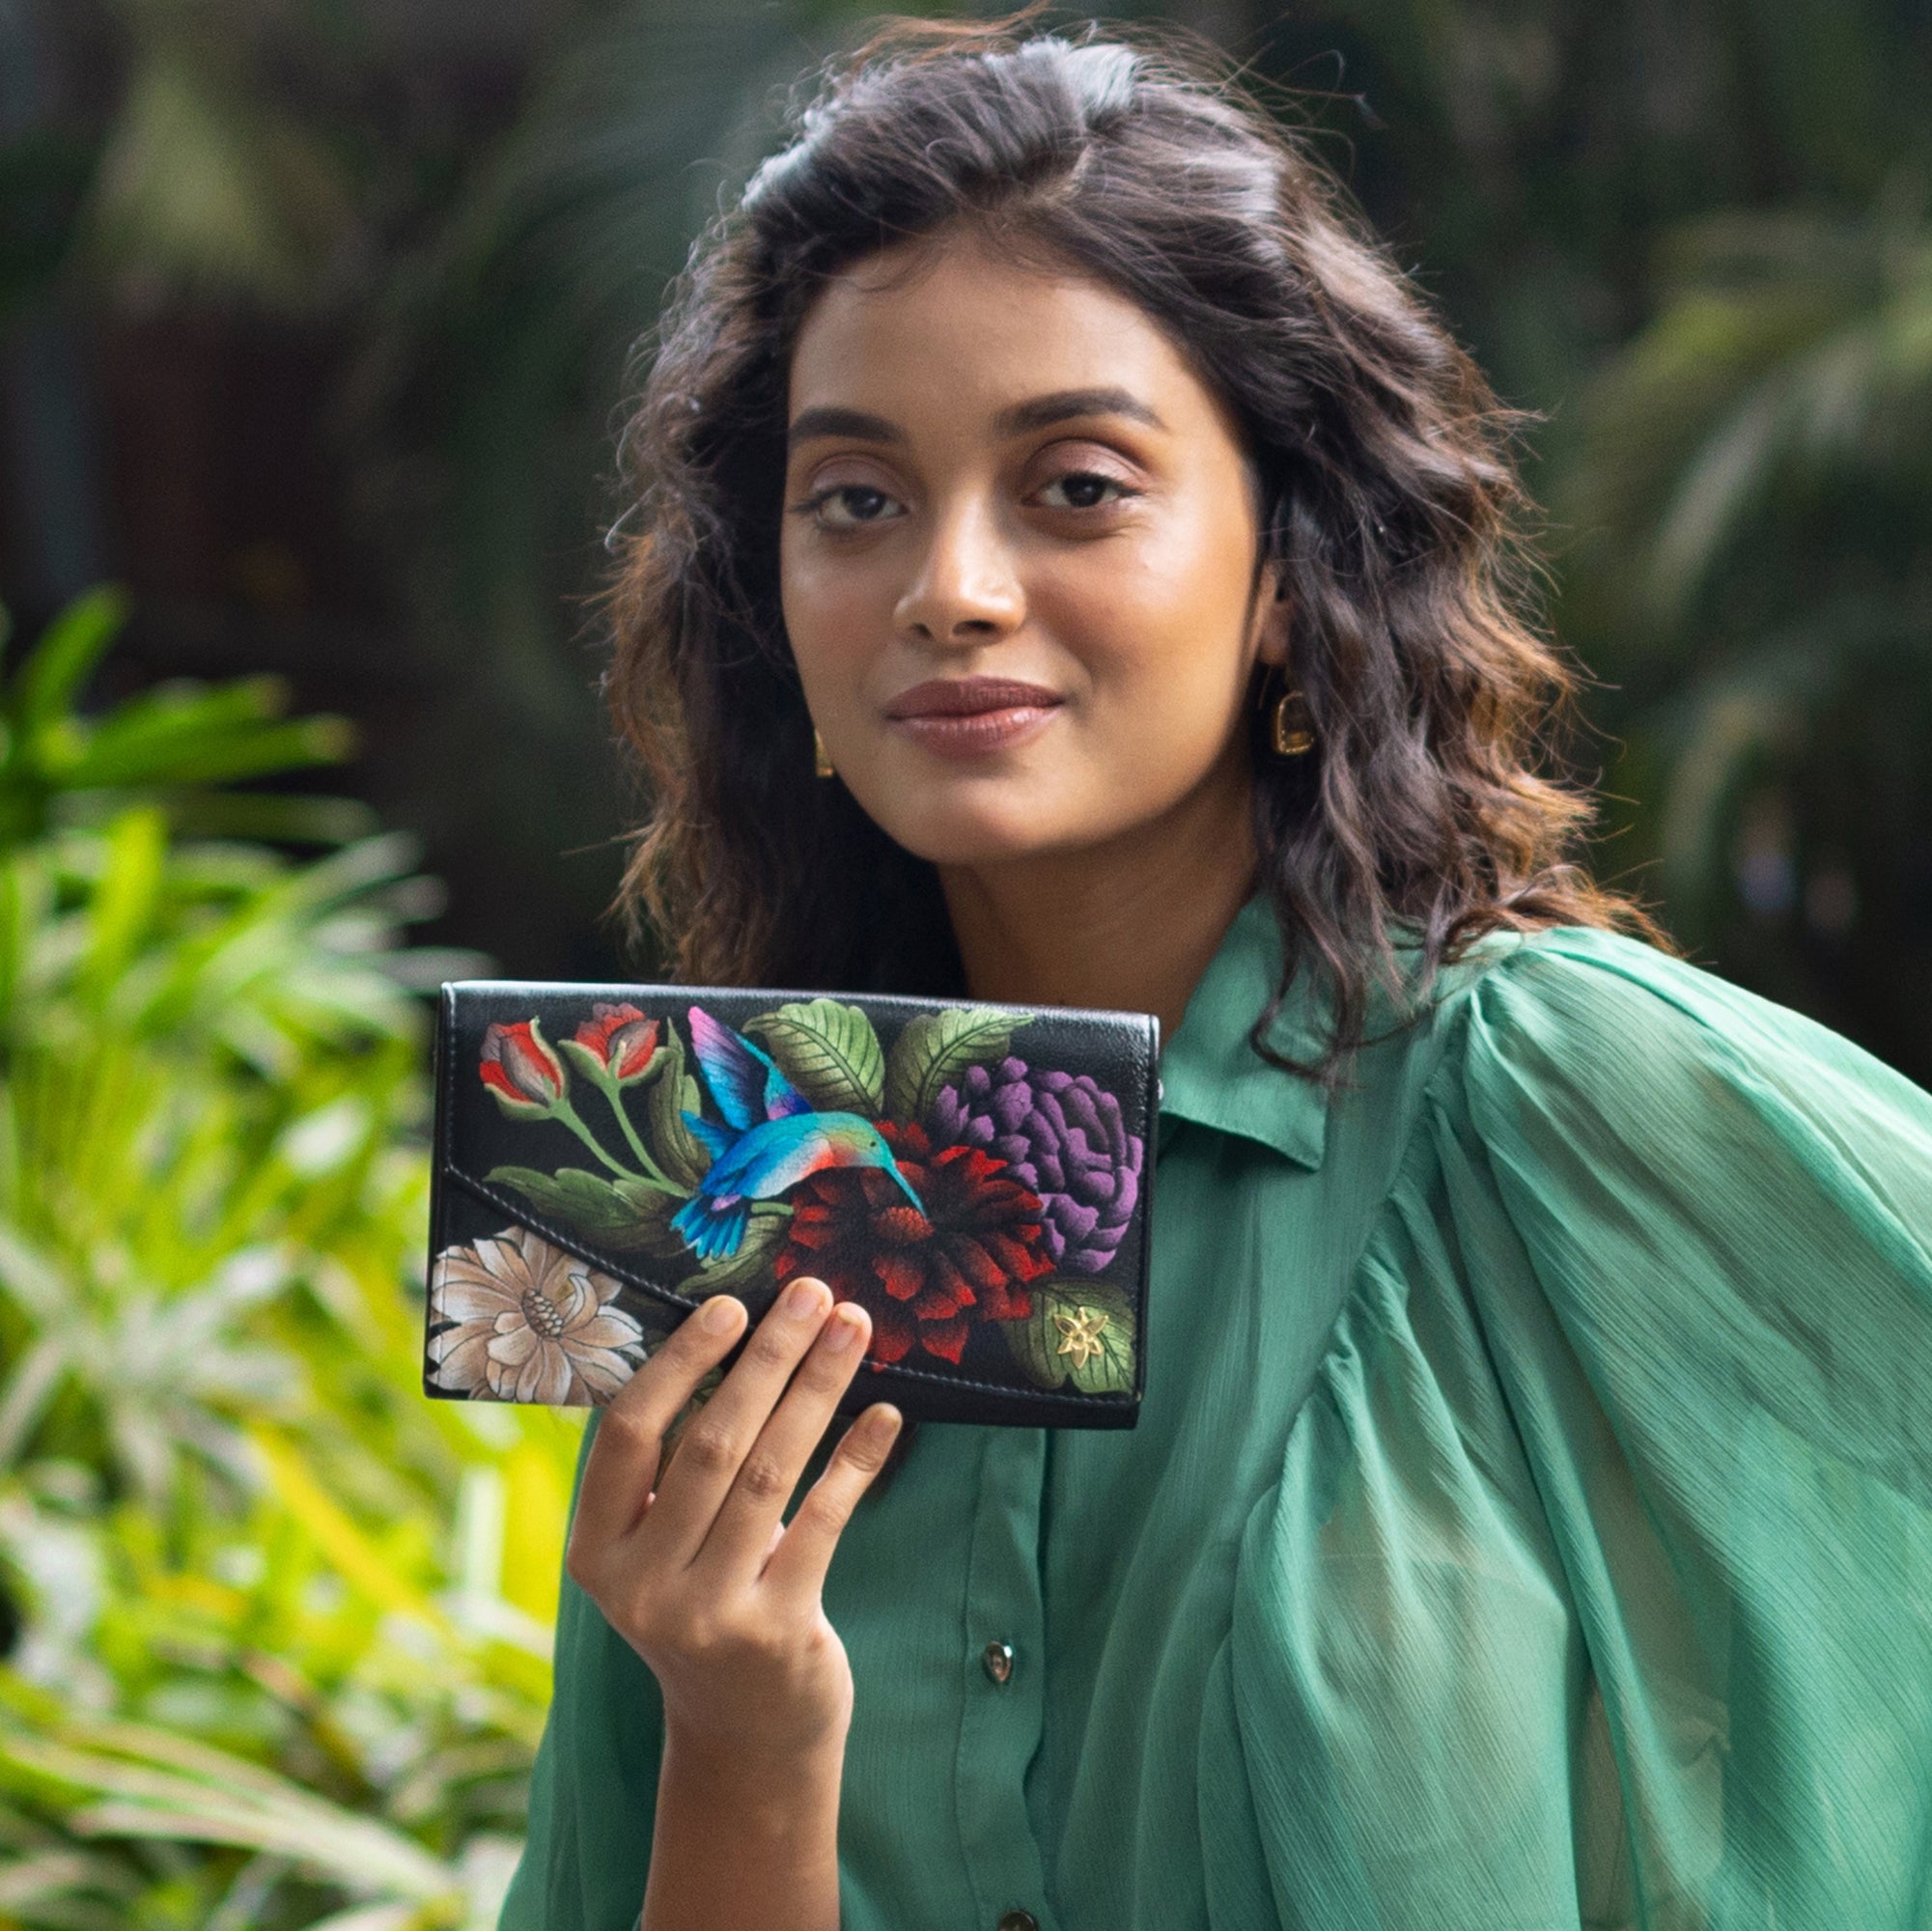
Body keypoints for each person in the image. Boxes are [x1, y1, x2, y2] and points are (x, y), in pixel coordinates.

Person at [497, 17, 1932, 1931]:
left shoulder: (1560, 1107)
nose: (950, 584)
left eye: (1073, 483)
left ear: (1283, 573)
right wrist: (742, 1729)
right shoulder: (702, 1208)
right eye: (852, 497)